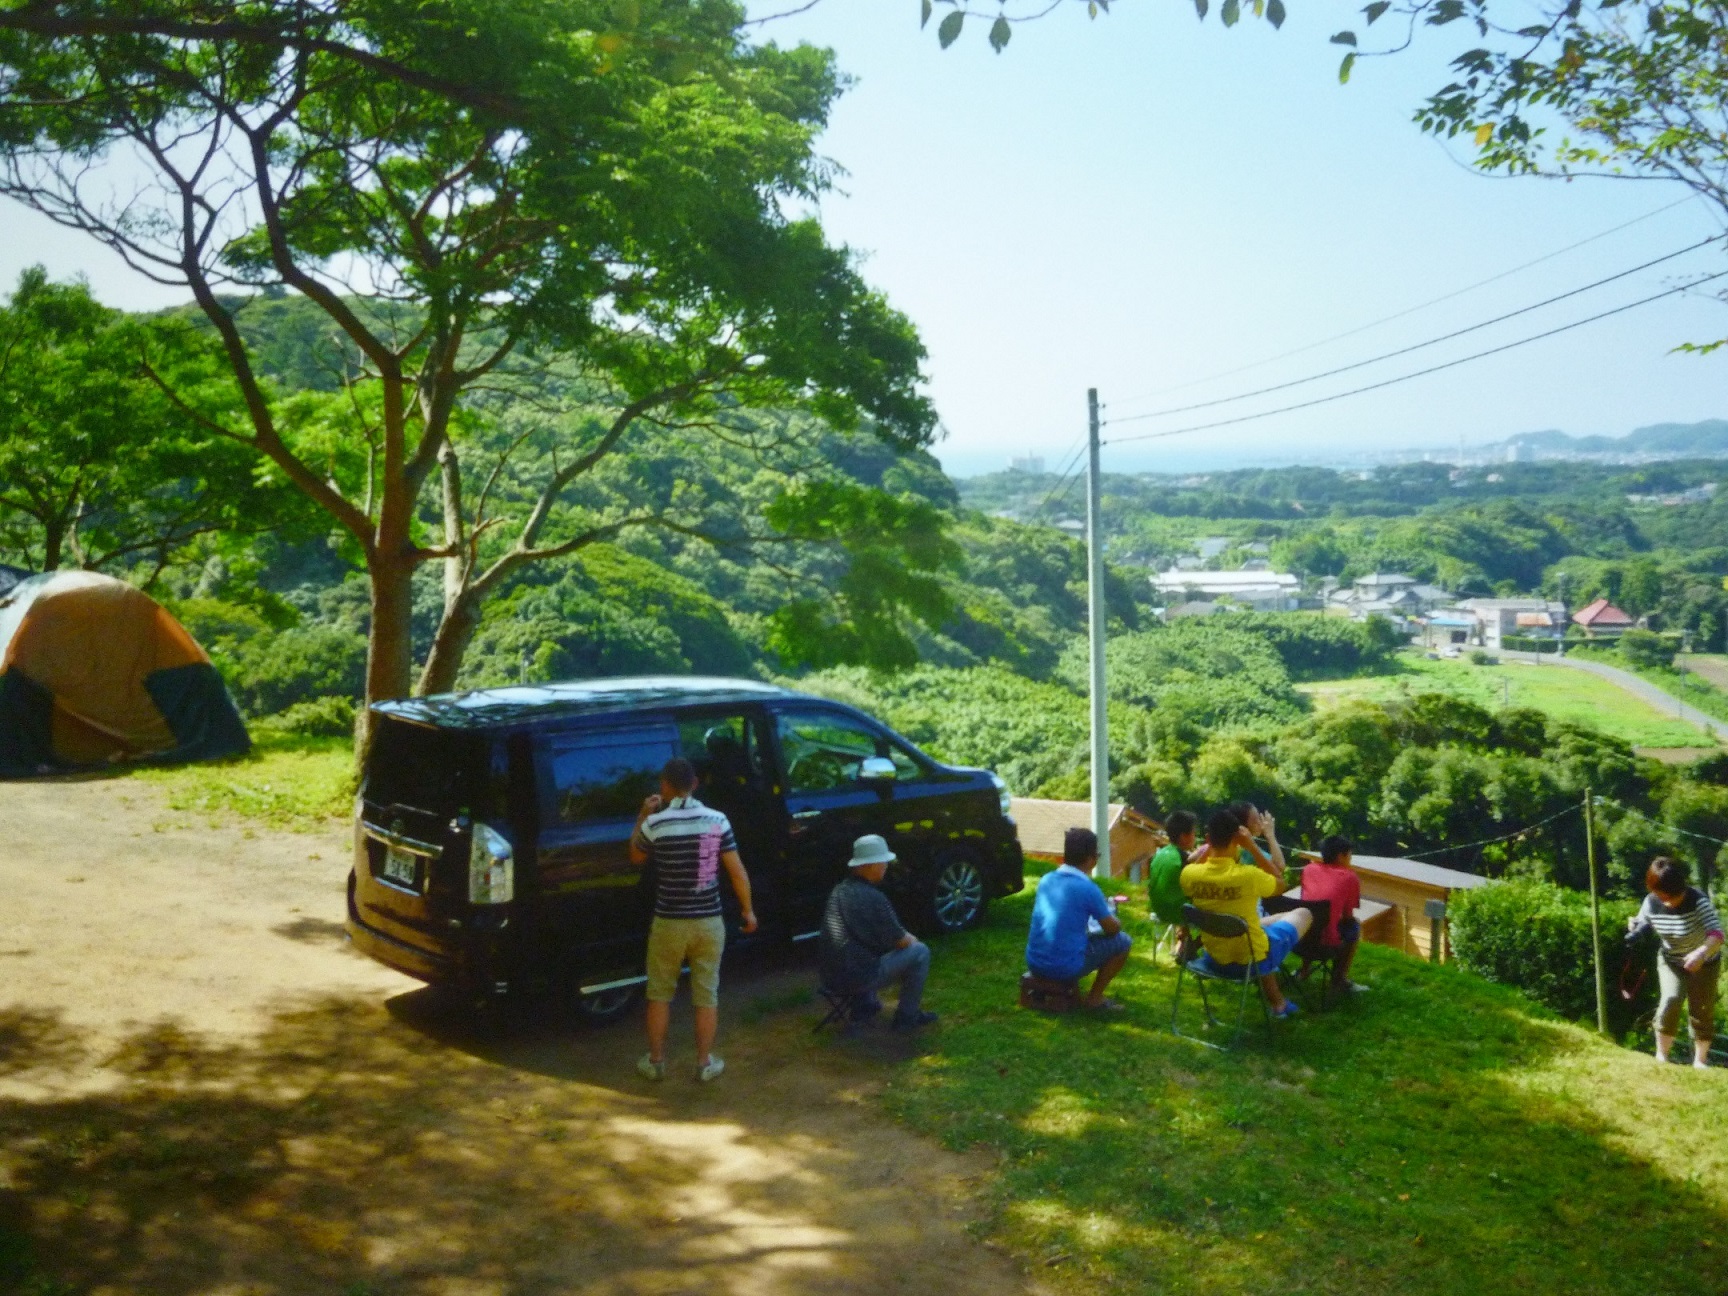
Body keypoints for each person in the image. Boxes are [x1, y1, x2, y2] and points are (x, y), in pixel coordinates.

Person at [631, 756, 756, 1082]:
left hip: (669, 921)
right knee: (706, 994)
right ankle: (704, 1064)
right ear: (696, 784)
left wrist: (644, 814)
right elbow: (736, 870)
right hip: (708, 921)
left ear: (665, 786)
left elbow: (636, 855)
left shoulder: (656, 823)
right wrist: (748, 910)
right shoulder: (717, 820)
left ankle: (656, 1061)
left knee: (659, 993)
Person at [1180, 808, 1311, 1019]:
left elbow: (1193, 866)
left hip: (1214, 958)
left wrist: (1209, 847)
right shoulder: (1249, 876)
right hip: (1251, 962)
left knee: (1268, 923)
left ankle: (1278, 1002)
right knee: (1303, 913)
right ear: (1237, 839)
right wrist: (1251, 846)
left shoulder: (1189, 875)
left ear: (1207, 839)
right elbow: (1280, 882)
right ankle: (1282, 995)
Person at [817, 834, 939, 1031]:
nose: (886, 866)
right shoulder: (874, 898)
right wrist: (913, 940)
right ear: (870, 865)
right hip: (855, 979)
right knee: (920, 951)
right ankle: (907, 1017)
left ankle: (864, 1004)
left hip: (830, 978)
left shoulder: (839, 891)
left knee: (859, 949)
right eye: (883, 862)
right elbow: (901, 941)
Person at [1626, 856, 1723, 1069]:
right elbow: (1643, 923)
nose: (1667, 902)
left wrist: (1701, 953)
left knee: (1702, 1010)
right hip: (1671, 961)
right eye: (1662, 896)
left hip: (1705, 962)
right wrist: (1634, 925)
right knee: (1670, 999)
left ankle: (1700, 1061)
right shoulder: (1651, 902)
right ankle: (1662, 1057)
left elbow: (1717, 934)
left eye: (1671, 896)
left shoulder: (1698, 901)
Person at [1025, 827, 1132, 1011]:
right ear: (1091, 860)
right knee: (1123, 941)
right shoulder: (1088, 889)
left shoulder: (1046, 880)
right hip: (1065, 967)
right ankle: (1094, 998)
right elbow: (1112, 929)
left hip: (1035, 961)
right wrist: (1116, 920)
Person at [1296, 834, 1368, 994]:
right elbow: (1348, 916)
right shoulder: (1349, 877)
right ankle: (1339, 979)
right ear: (1341, 856)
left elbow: (1306, 900)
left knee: (1314, 918)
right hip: (1325, 944)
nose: (1350, 859)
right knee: (1354, 926)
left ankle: (1304, 970)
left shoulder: (1309, 869)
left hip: (1299, 938)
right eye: (1349, 855)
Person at [1148, 810, 1199, 926]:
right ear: (1184, 837)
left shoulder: (1161, 853)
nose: (1195, 837)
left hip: (1157, 908)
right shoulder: (1182, 858)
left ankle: (1184, 940)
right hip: (1176, 912)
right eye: (1193, 833)